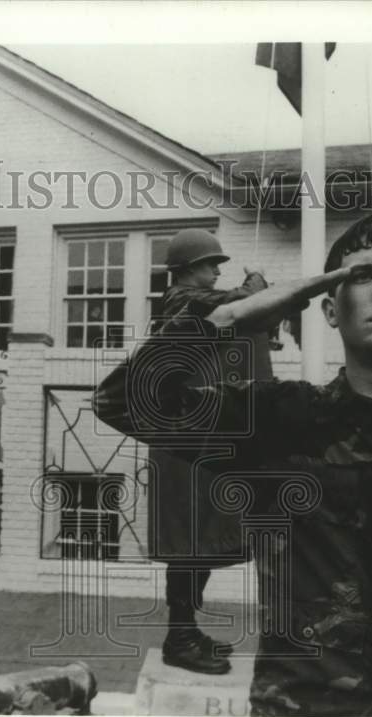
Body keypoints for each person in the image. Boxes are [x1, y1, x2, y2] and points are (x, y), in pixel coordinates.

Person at [94, 213, 372, 717]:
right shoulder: (281, 421)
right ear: (329, 308)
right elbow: (122, 402)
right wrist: (226, 318)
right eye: (362, 275)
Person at [150, 228, 276, 675]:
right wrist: (257, 278)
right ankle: (179, 637)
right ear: (186, 268)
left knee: (197, 542)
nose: (217, 270)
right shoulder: (183, 299)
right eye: (210, 264)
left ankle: (186, 631)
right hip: (183, 443)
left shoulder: (192, 301)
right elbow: (242, 300)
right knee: (188, 544)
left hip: (192, 439)